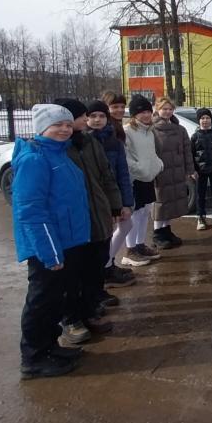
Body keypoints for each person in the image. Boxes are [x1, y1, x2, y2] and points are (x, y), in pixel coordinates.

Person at [14, 104, 90, 379]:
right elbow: (31, 210)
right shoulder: (34, 159)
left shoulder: (60, 153)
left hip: (66, 242)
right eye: (57, 125)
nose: (65, 129)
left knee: (56, 299)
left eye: (68, 125)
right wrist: (50, 253)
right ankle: (33, 356)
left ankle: (50, 346)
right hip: (48, 246)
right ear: (41, 127)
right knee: (42, 301)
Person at [54, 98, 122, 346]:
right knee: (73, 275)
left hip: (99, 216)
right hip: (75, 223)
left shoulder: (90, 142)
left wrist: (114, 203)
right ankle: (72, 320)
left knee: (95, 269)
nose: (86, 120)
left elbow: (106, 175)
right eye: (82, 116)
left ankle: (90, 311)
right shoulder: (59, 148)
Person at [86, 100, 135, 304]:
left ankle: (105, 270)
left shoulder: (113, 140)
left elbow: (122, 173)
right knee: (94, 244)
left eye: (101, 116)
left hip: (112, 196)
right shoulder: (81, 142)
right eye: (93, 116)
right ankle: (96, 284)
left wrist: (125, 202)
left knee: (112, 234)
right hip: (92, 200)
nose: (97, 120)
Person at [122, 95, 164, 267]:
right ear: (134, 114)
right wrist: (140, 169)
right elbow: (126, 158)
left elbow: (152, 154)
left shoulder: (149, 131)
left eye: (148, 111)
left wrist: (157, 165)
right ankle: (129, 250)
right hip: (135, 179)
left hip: (148, 177)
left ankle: (139, 244)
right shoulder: (127, 131)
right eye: (142, 112)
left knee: (145, 212)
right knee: (134, 215)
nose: (146, 115)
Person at [100, 91, 136, 287]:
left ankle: (108, 264)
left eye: (122, 106)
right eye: (115, 107)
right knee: (119, 227)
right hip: (111, 189)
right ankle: (105, 267)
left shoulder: (115, 128)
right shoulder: (107, 131)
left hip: (121, 185)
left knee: (124, 226)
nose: (120, 110)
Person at [151, 96, 196, 248]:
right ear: (157, 109)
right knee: (161, 203)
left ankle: (166, 230)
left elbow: (186, 151)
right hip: (160, 173)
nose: (167, 112)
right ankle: (157, 234)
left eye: (170, 109)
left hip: (176, 172)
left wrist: (189, 170)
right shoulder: (152, 129)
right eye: (164, 109)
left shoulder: (179, 129)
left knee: (171, 203)